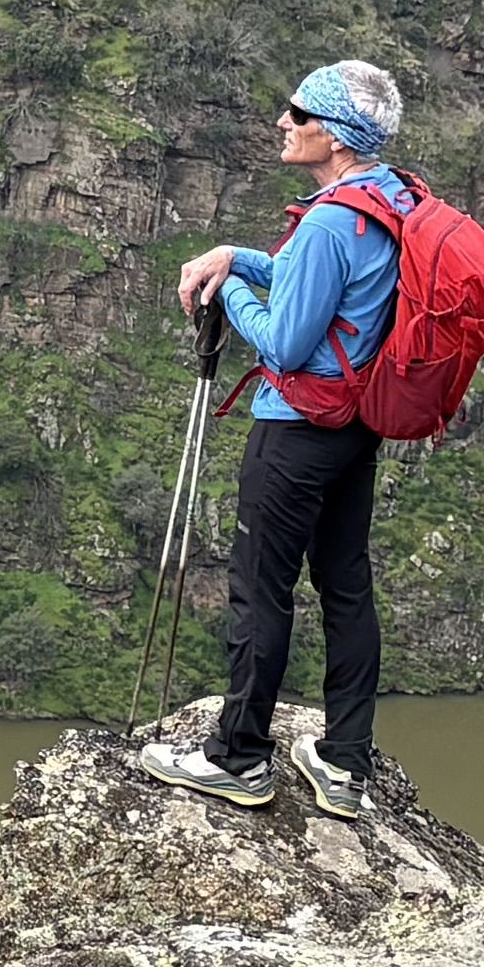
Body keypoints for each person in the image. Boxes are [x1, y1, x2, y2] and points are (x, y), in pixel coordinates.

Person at [133, 57, 410, 819]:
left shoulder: (327, 220)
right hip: (355, 425)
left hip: (296, 430)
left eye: (299, 112)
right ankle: (346, 766)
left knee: (261, 588)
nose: (284, 123)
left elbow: (286, 345)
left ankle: (239, 758)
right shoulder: (386, 198)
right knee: (346, 585)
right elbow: (325, 288)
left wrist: (236, 297)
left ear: (336, 135)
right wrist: (238, 257)